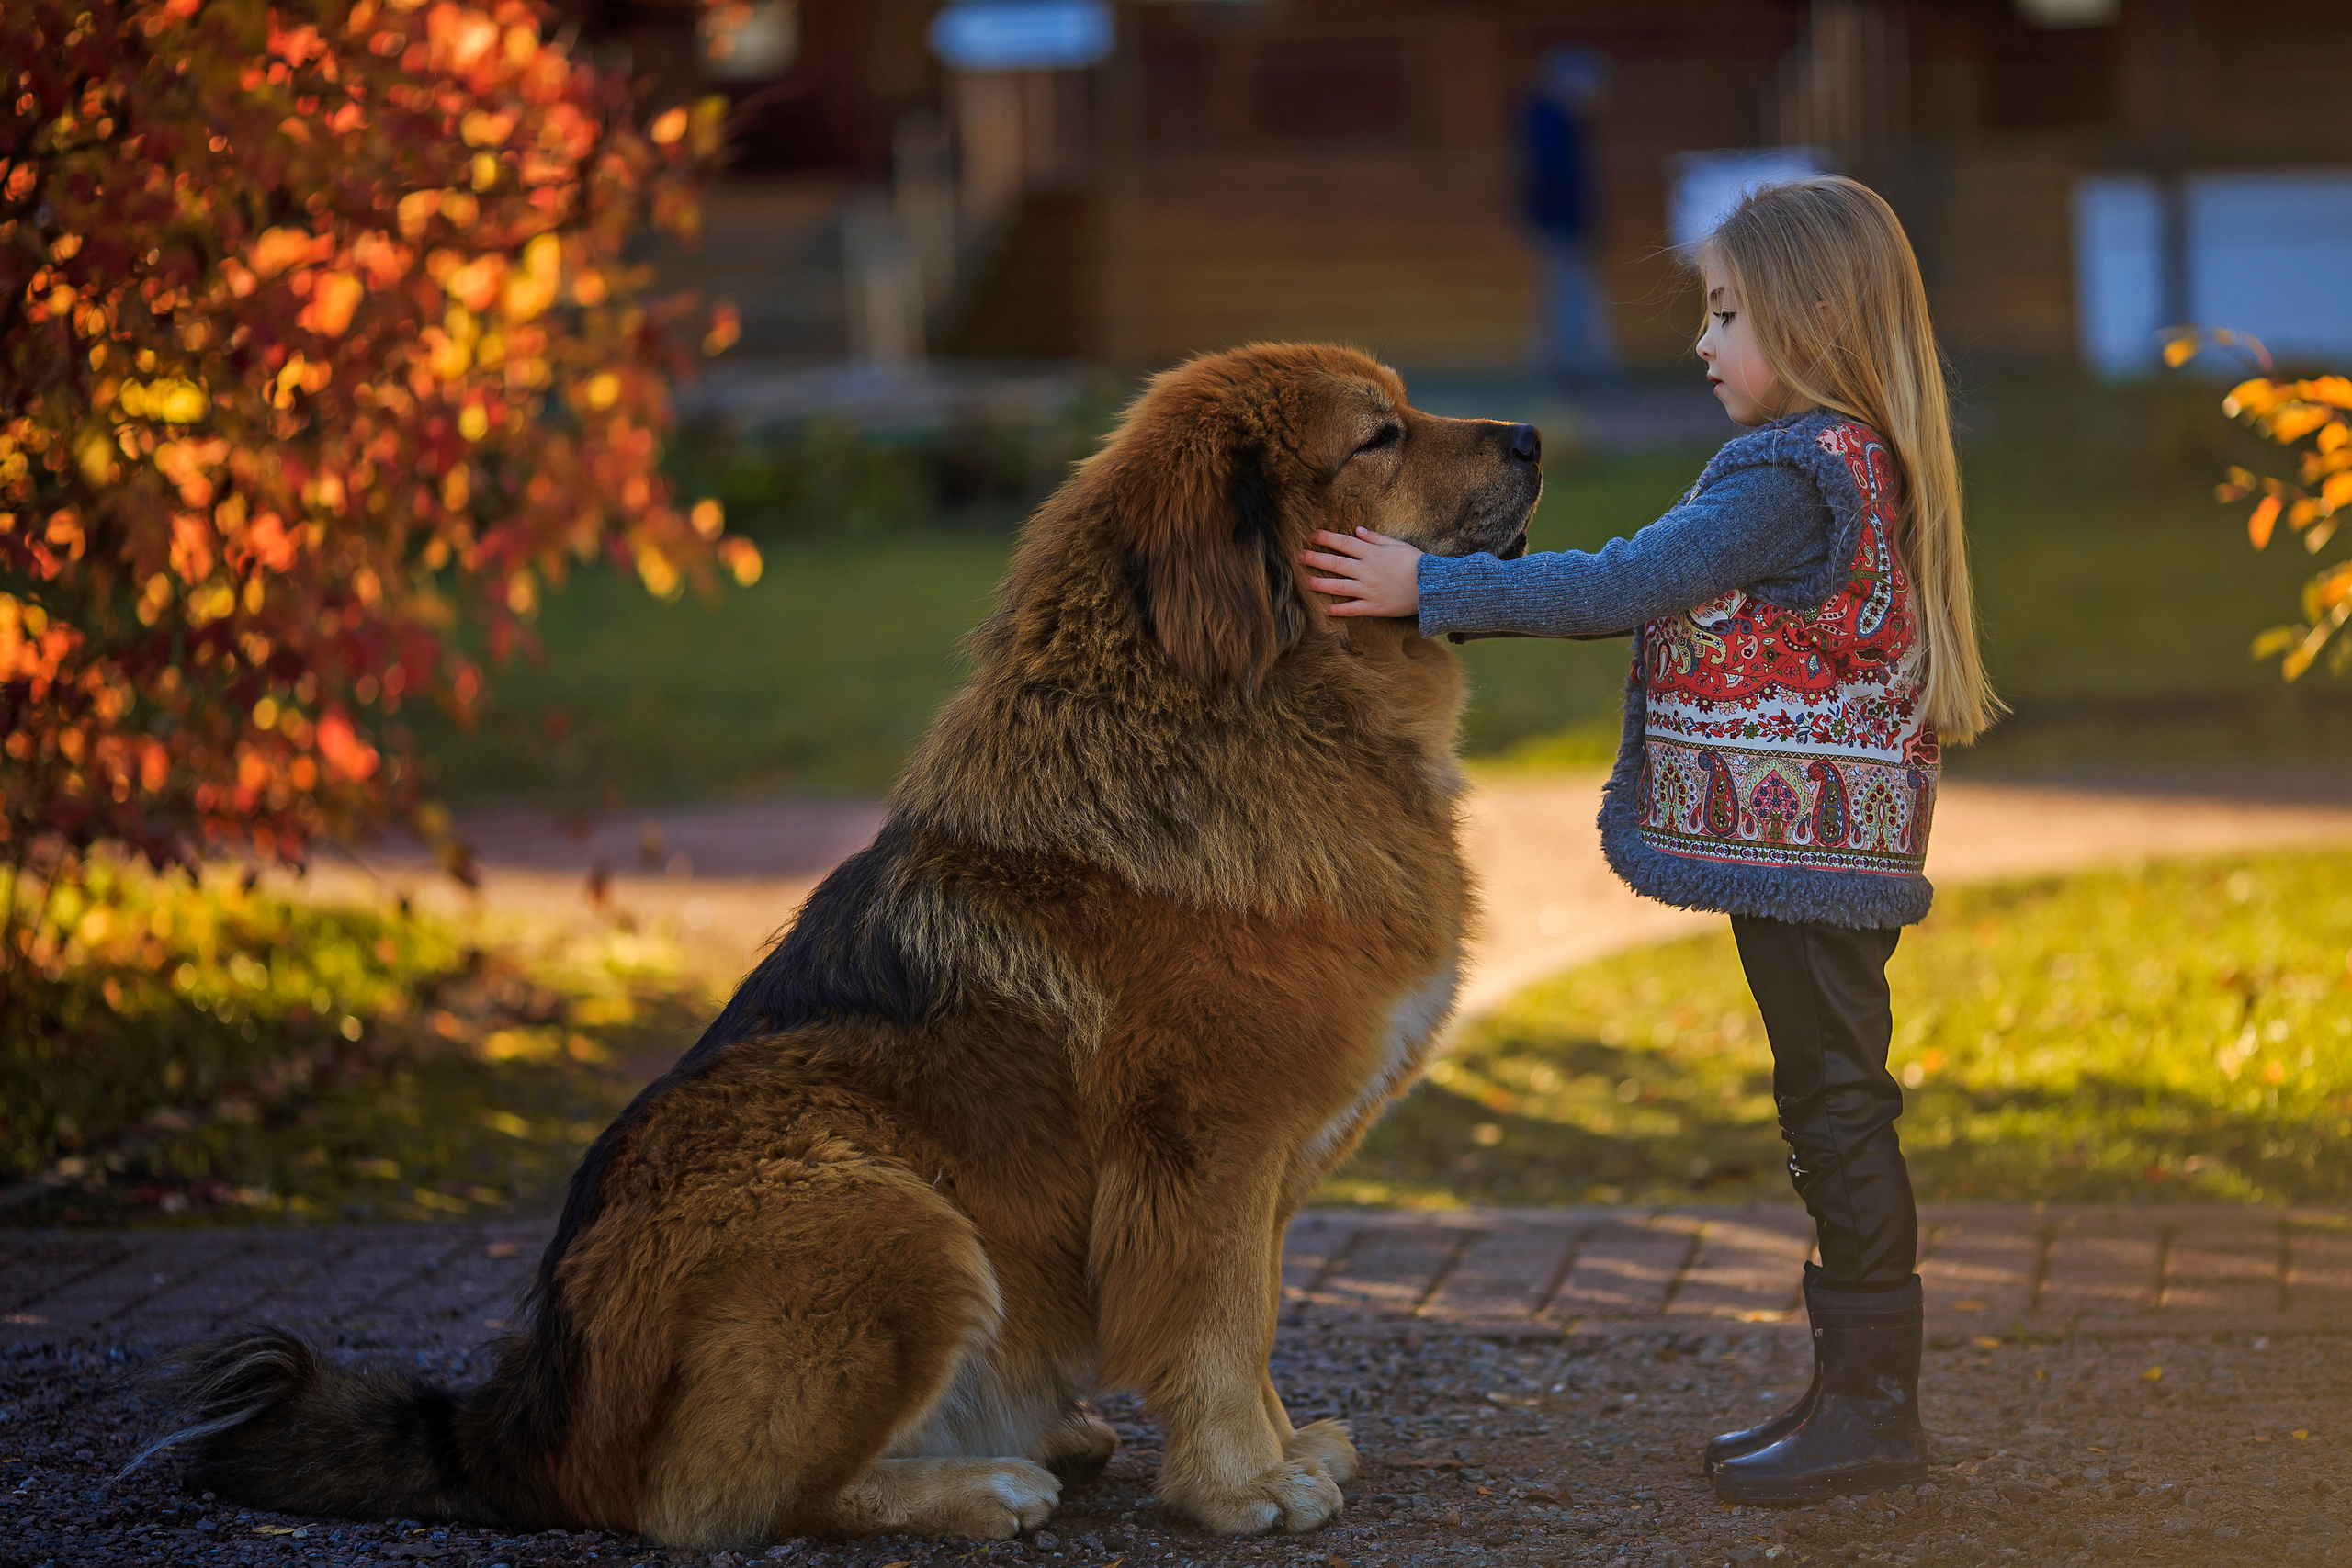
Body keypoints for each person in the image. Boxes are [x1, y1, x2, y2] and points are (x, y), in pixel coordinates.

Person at [1299, 175, 2000, 1504]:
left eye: (1729, 311)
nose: (1704, 340)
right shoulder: (1850, 458)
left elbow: (1624, 580)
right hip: (1819, 848)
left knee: (1836, 1104)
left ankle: (1871, 1412)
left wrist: (1428, 584)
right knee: (1831, 1097)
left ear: (1821, 315)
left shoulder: (1795, 473)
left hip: (1804, 856)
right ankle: (1851, 1391)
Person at [1518, 46, 1620, 386]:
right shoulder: (1554, 124)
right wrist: (1574, 221)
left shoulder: (1555, 122)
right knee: (1571, 295)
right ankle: (1576, 369)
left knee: (1566, 293)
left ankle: (1566, 366)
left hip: (1561, 223)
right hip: (1562, 224)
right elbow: (1554, 177)